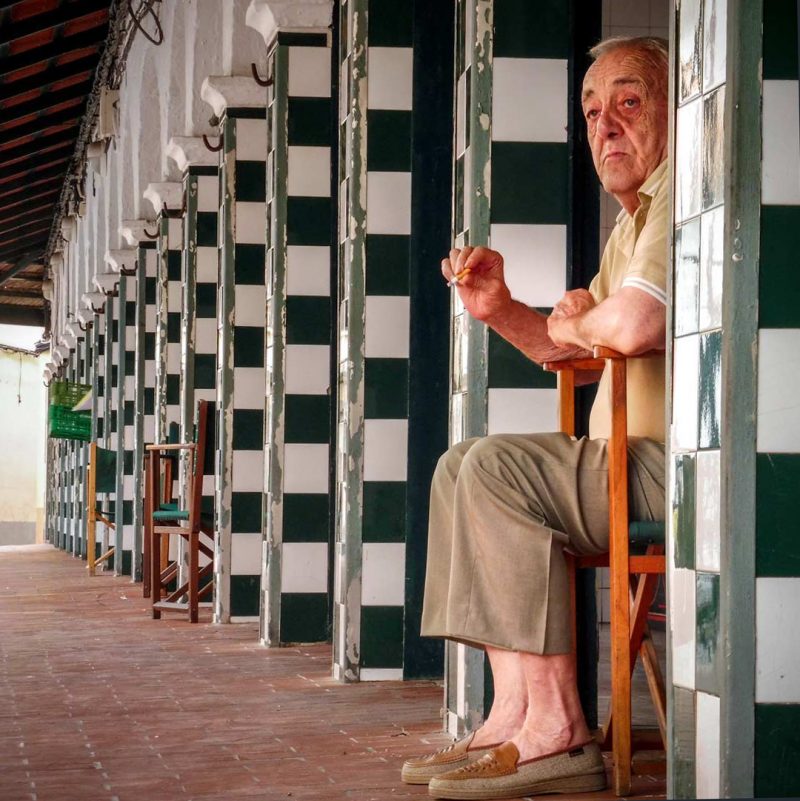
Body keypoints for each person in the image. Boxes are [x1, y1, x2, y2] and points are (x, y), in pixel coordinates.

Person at [401, 36, 670, 800]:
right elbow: (569, 345)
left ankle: (557, 727)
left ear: (670, 111)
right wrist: (503, 310)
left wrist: (587, 320)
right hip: (624, 460)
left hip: (674, 467)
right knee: (461, 464)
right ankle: (514, 713)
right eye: (592, 113)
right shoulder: (631, 224)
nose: (605, 127)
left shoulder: (680, 194)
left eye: (628, 102)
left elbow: (632, 327)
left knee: (493, 469)